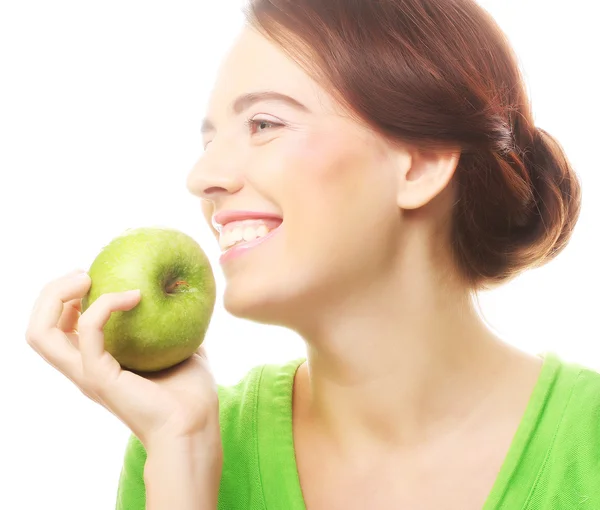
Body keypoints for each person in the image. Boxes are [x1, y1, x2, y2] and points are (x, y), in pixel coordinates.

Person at [26, 0, 599, 508]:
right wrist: (185, 459)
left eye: (264, 123)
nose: (203, 177)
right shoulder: (174, 444)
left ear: (421, 163)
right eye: (208, 142)